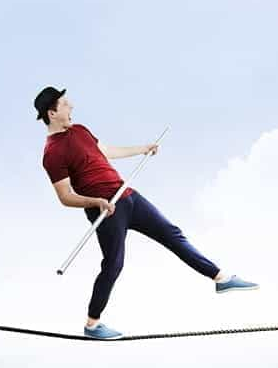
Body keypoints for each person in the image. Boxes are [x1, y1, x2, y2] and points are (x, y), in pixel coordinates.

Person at [35, 86, 258, 340]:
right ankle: (92, 324)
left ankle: (220, 278)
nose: (71, 106)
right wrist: (96, 202)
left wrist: (142, 149)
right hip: (107, 210)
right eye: (65, 104)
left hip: (128, 196)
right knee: (113, 265)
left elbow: (105, 151)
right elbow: (65, 196)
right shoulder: (52, 153)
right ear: (52, 113)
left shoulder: (80, 130)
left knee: (172, 233)